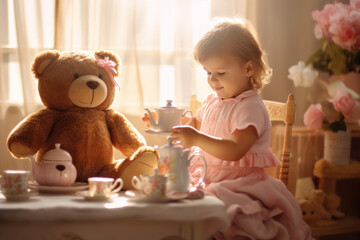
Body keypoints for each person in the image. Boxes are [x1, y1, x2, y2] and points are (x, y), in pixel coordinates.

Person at [144, 18, 312, 240]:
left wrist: (195, 139)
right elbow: (192, 126)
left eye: (220, 73)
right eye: (208, 72)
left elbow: (235, 150)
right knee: (168, 199)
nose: (213, 80)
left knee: (213, 212)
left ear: (248, 68)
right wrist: (162, 124)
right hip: (208, 177)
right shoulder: (212, 101)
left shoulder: (250, 107)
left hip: (239, 185)